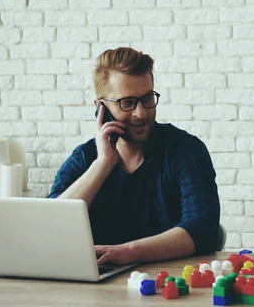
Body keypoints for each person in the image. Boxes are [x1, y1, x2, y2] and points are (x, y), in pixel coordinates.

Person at [49, 47, 220, 265]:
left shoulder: (186, 151)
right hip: (98, 288)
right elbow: (51, 228)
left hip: (169, 283)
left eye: (147, 98)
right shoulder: (85, 158)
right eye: (127, 103)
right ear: (100, 107)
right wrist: (102, 164)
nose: (141, 113)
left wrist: (129, 252)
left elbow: (202, 229)